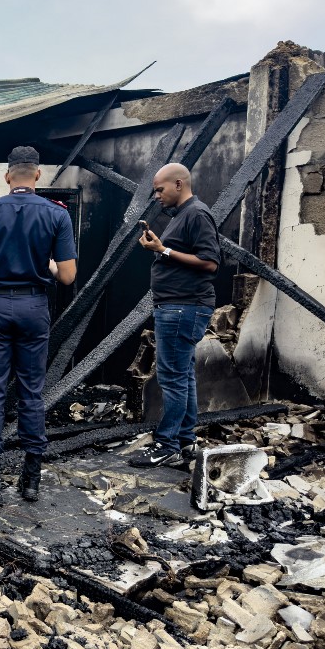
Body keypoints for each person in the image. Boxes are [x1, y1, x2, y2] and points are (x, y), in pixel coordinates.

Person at [0, 146, 77, 506]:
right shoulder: (57, 215)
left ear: (8, 176)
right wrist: (47, 268)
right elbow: (68, 276)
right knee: (31, 391)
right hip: (34, 307)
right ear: (37, 175)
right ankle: (30, 482)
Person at [129, 163, 220, 467]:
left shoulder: (197, 214)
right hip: (178, 306)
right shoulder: (182, 215)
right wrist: (160, 247)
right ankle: (186, 441)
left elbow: (210, 262)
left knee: (172, 377)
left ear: (179, 184)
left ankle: (166, 444)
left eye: (160, 189)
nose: (156, 195)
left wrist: (164, 250)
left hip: (184, 307)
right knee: (182, 376)